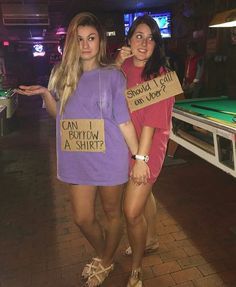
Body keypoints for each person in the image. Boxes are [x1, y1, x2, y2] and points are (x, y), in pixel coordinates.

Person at [15, 12, 143, 287]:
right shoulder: (61, 74)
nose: (85, 44)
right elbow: (57, 115)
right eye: (80, 38)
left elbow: (123, 122)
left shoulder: (113, 76)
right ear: (72, 41)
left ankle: (106, 261)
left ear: (100, 42)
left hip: (110, 157)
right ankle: (104, 254)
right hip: (78, 158)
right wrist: (46, 95)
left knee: (112, 214)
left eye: (91, 38)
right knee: (82, 217)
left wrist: (139, 157)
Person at [115, 15, 175, 286]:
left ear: (156, 45)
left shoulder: (160, 74)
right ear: (128, 40)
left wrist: (141, 159)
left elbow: (152, 123)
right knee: (144, 192)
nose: (144, 42)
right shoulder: (124, 66)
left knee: (130, 211)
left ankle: (136, 269)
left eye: (151, 38)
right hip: (127, 141)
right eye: (139, 35)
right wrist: (116, 64)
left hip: (149, 145)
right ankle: (149, 240)